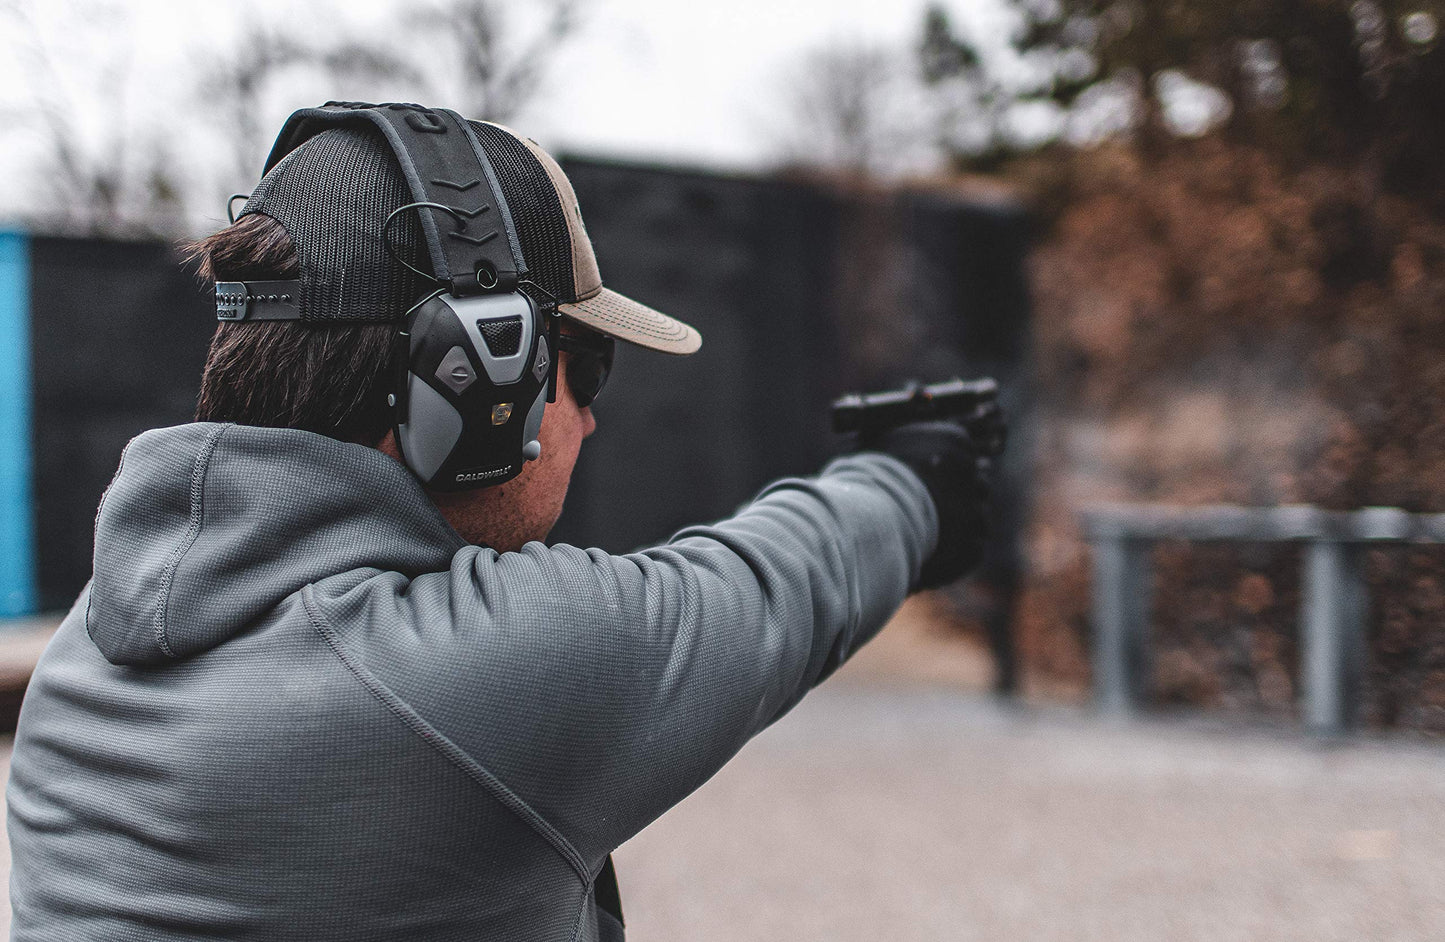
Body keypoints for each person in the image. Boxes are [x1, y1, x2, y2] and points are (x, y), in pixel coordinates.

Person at [6, 107, 992, 941]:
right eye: (584, 368)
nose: (590, 417)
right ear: (473, 378)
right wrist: (917, 480)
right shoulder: (467, 675)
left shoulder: (85, 658)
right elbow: (780, 583)